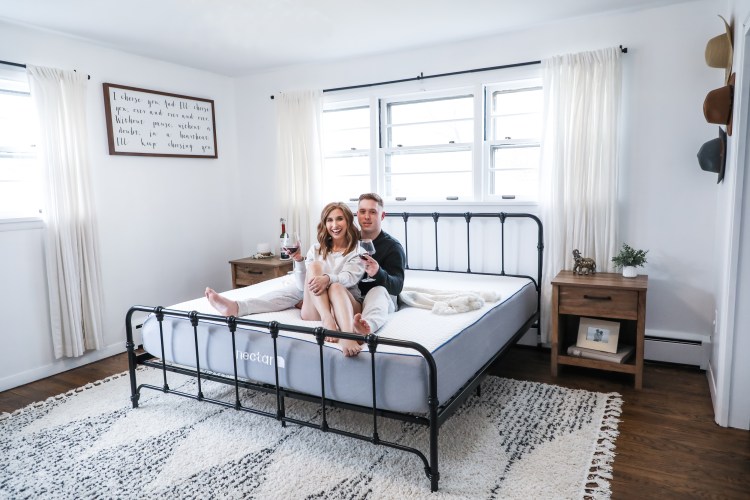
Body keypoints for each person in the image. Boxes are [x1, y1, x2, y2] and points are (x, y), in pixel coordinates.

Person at [206, 202, 365, 356]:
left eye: (339, 219)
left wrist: (327, 279)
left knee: (335, 287)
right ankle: (237, 307)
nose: (334, 225)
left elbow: (349, 278)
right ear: (324, 224)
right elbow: (303, 286)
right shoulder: (316, 249)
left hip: (344, 305)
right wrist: (298, 260)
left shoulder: (357, 250)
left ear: (348, 221)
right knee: (311, 270)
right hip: (318, 309)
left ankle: (347, 336)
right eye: (329, 220)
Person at [352, 193, 406, 336]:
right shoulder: (349, 241)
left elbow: (397, 286)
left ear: (382, 216)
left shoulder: (393, 247)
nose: (366, 216)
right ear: (357, 214)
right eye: (362, 211)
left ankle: (366, 328)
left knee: (378, 290)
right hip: (355, 297)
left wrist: (378, 273)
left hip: (381, 299)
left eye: (372, 212)